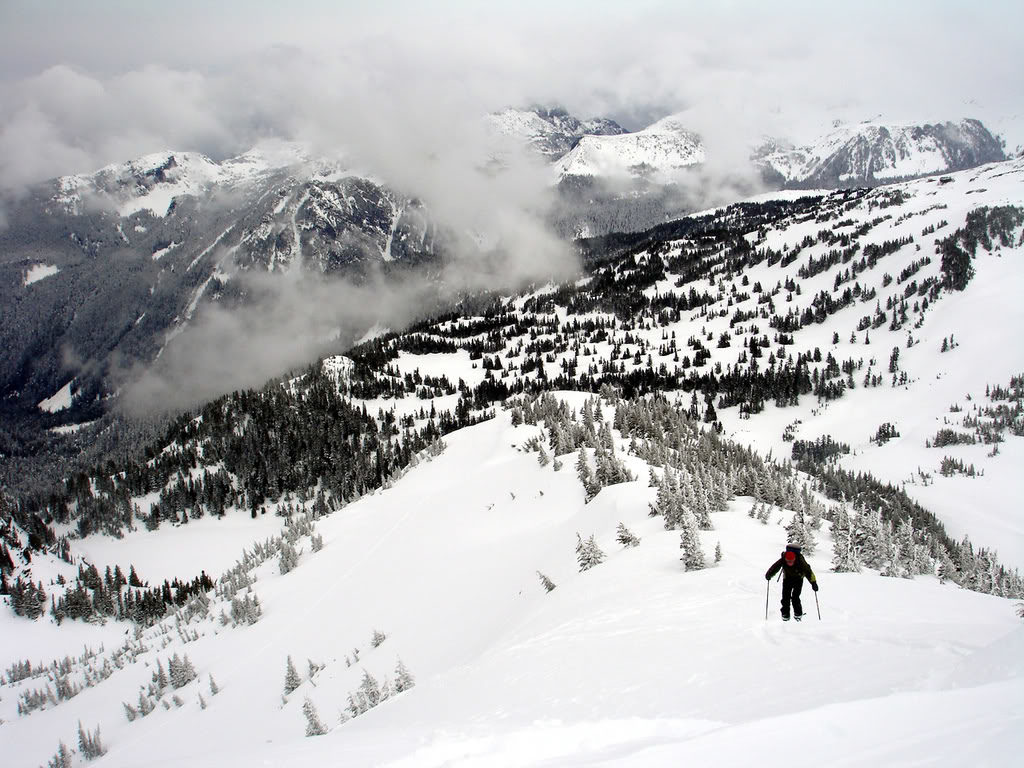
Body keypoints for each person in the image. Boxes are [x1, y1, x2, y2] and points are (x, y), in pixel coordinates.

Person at [765, 544, 818, 621]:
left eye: (791, 561)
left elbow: (808, 572)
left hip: (798, 579)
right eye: (788, 561)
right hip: (787, 579)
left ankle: (798, 614)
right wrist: (769, 574)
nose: (789, 563)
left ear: (794, 559)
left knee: (795, 597)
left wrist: (813, 583)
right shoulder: (783, 559)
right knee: (785, 597)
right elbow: (775, 567)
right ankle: (785, 615)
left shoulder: (800, 561)